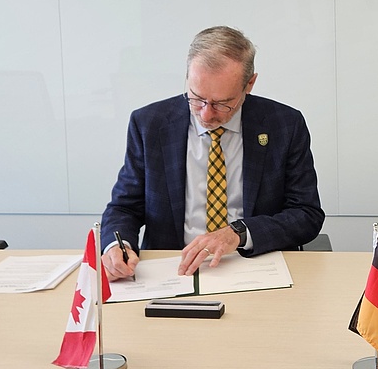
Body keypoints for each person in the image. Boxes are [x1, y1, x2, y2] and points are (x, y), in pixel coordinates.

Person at [101, 26, 324, 280]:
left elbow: (306, 214)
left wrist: (239, 232)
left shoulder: (284, 124)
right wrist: (118, 246)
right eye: (197, 98)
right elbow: (124, 207)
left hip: (254, 267)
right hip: (173, 268)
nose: (206, 114)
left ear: (249, 84)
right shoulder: (149, 124)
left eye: (221, 103)